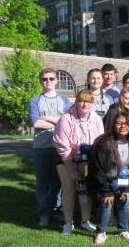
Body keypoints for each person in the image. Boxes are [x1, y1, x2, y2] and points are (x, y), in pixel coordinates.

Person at [53, 89, 104, 235]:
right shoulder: (66, 118)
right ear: (76, 102)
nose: (85, 104)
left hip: (86, 157)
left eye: (89, 102)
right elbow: (63, 148)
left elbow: (99, 142)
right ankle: (68, 223)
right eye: (82, 101)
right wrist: (72, 170)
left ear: (92, 104)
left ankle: (85, 221)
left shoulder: (96, 119)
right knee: (69, 186)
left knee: (86, 186)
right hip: (65, 157)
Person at [90, 111, 129, 244]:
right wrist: (106, 190)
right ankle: (100, 233)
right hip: (105, 180)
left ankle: (123, 231)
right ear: (113, 125)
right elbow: (98, 170)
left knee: (127, 198)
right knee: (107, 200)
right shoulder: (104, 142)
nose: (122, 126)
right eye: (119, 123)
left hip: (124, 179)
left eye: (126, 123)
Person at [29, 68, 72, 227]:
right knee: (42, 182)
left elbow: (68, 121)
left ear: (56, 80)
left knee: (57, 182)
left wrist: (46, 117)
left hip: (60, 147)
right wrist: (58, 121)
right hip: (41, 147)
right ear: (41, 81)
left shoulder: (65, 101)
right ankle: (44, 213)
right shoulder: (35, 101)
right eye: (45, 79)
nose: (48, 81)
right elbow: (36, 123)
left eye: (51, 79)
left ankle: (55, 210)